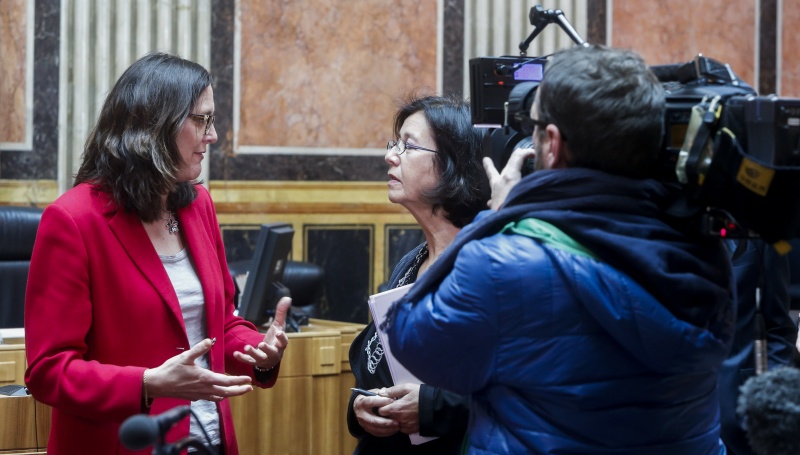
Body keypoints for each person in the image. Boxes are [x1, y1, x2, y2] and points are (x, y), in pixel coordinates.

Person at [385, 44, 735, 454]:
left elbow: (410, 336)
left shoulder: (504, 259)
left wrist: (499, 215)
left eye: (531, 129)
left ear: (552, 144)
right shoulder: (705, 247)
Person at [24, 52, 290, 455]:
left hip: (208, 441)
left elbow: (218, 324)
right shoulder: (73, 220)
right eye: (201, 120)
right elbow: (48, 372)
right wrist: (146, 384)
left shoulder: (197, 204)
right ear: (155, 126)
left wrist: (259, 352)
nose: (212, 135)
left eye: (211, 120)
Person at [347, 95, 490, 454]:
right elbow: (374, 361)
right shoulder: (412, 260)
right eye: (394, 144)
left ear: (452, 165)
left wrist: (430, 408)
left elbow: (518, 389)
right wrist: (362, 406)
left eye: (407, 146)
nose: (390, 156)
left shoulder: (486, 263)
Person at [719, 239, 798, 454]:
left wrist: (767, 396)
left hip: (740, 412)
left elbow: (779, 328)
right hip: (679, 412)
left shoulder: (763, 239)